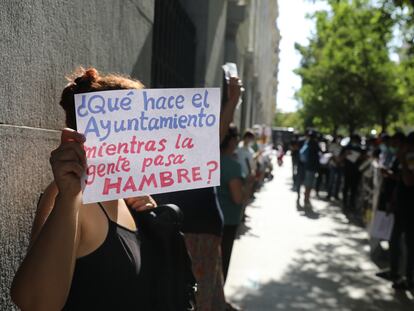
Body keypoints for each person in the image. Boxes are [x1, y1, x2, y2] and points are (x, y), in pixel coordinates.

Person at [10, 68, 195, 310]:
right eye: (141, 124)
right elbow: (35, 303)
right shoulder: (66, 196)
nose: (152, 137)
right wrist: (69, 198)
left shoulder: (127, 197)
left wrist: (149, 218)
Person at [153, 75, 242, 311]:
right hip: (190, 231)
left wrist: (232, 101)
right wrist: (231, 102)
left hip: (200, 232)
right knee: (195, 295)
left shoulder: (194, 147)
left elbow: (217, 133)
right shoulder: (165, 147)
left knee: (201, 293)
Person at [218, 125, 253, 283]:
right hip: (227, 222)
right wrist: (250, 183)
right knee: (222, 263)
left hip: (209, 220)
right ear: (231, 141)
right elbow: (239, 198)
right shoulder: (233, 166)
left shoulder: (208, 162)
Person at [390, 132, 414, 290]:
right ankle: (396, 272)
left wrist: (403, 160)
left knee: (410, 244)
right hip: (402, 206)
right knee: (396, 239)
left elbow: (409, 181)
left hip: (410, 208)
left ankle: (408, 279)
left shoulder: (410, 158)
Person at [297, 130, 320, 207]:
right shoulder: (314, 144)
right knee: (309, 184)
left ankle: (305, 198)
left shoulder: (307, 143)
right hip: (311, 167)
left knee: (307, 183)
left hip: (306, 166)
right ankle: (306, 199)